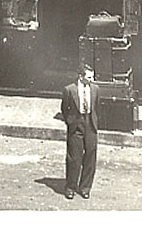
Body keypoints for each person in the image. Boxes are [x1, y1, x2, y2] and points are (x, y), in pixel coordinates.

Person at [61, 63, 100, 200]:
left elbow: (97, 107)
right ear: (80, 76)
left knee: (90, 156)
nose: (92, 79)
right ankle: (70, 187)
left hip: (90, 124)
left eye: (92, 76)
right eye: (89, 77)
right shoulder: (69, 90)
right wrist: (70, 122)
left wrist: (93, 122)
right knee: (74, 158)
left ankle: (85, 187)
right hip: (76, 125)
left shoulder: (95, 89)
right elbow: (64, 108)